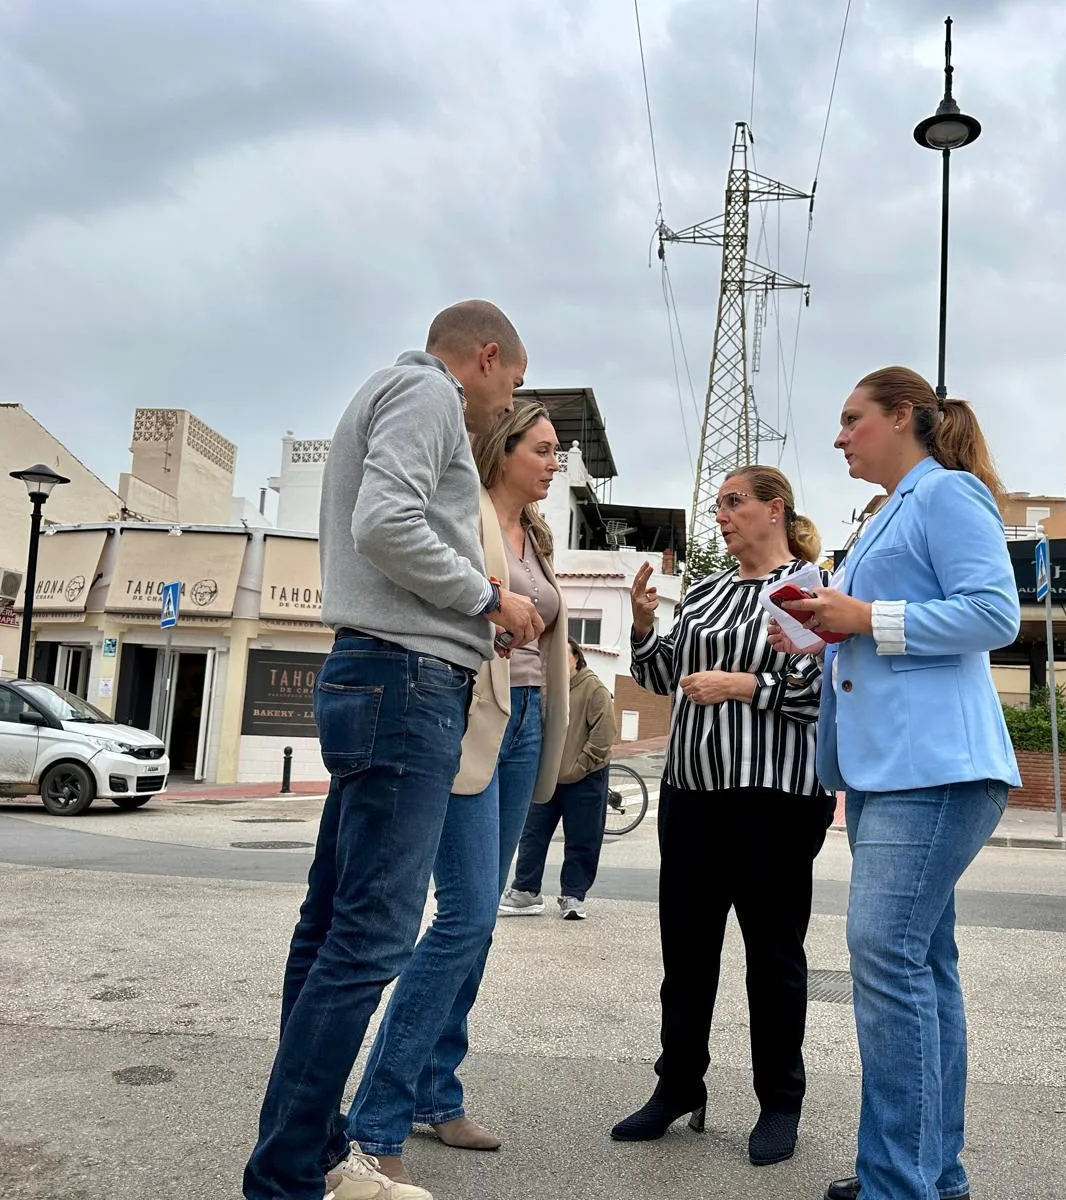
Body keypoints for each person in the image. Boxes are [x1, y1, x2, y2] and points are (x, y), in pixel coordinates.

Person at [243, 301, 544, 1200]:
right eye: (514, 382)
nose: (508, 403)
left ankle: (312, 1153)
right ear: (484, 357)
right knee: (370, 937)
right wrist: (488, 598)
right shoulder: (427, 395)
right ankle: (290, 1175)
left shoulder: (387, 391)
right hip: (407, 683)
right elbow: (385, 523)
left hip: (377, 672)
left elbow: (383, 528)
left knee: (331, 929)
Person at [776, 366, 1020, 1200]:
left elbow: (994, 613)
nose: (839, 436)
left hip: (935, 768)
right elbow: (889, 630)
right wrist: (825, 631)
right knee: (921, 969)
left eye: (853, 419)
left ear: (903, 417)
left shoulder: (947, 492)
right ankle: (928, 1175)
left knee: (886, 960)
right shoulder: (890, 511)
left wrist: (865, 617)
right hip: (896, 769)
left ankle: (898, 1183)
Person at [343, 398, 571, 1188]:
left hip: (527, 718)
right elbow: (433, 592)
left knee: (480, 923)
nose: (554, 464)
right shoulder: (462, 513)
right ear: (503, 450)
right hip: (469, 714)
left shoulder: (538, 534)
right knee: (466, 915)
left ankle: (437, 1091)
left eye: (557, 452)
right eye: (542, 449)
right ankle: (376, 1119)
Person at [612, 465, 833, 1168]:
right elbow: (662, 678)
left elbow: (815, 689)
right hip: (692, 794)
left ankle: (780, 1102)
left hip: (775, 798)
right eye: (718, 505)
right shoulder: (705, 591)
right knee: (685, 953)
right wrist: (643, 625)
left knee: (774, 957)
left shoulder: (808, 587)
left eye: (735, 502)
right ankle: (678, 1084)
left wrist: (743, 686)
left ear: (776, 509)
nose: (722, 515)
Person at [499, 636, 615, 919]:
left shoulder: (594, 688)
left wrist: (579, 766)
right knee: (532, 834)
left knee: (582, 838)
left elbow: (602, 736)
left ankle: (573, 896)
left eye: (563, 656)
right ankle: (526, 891)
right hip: (548, 777)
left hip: (585, 778)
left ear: (577, 658)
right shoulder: (546, 689)